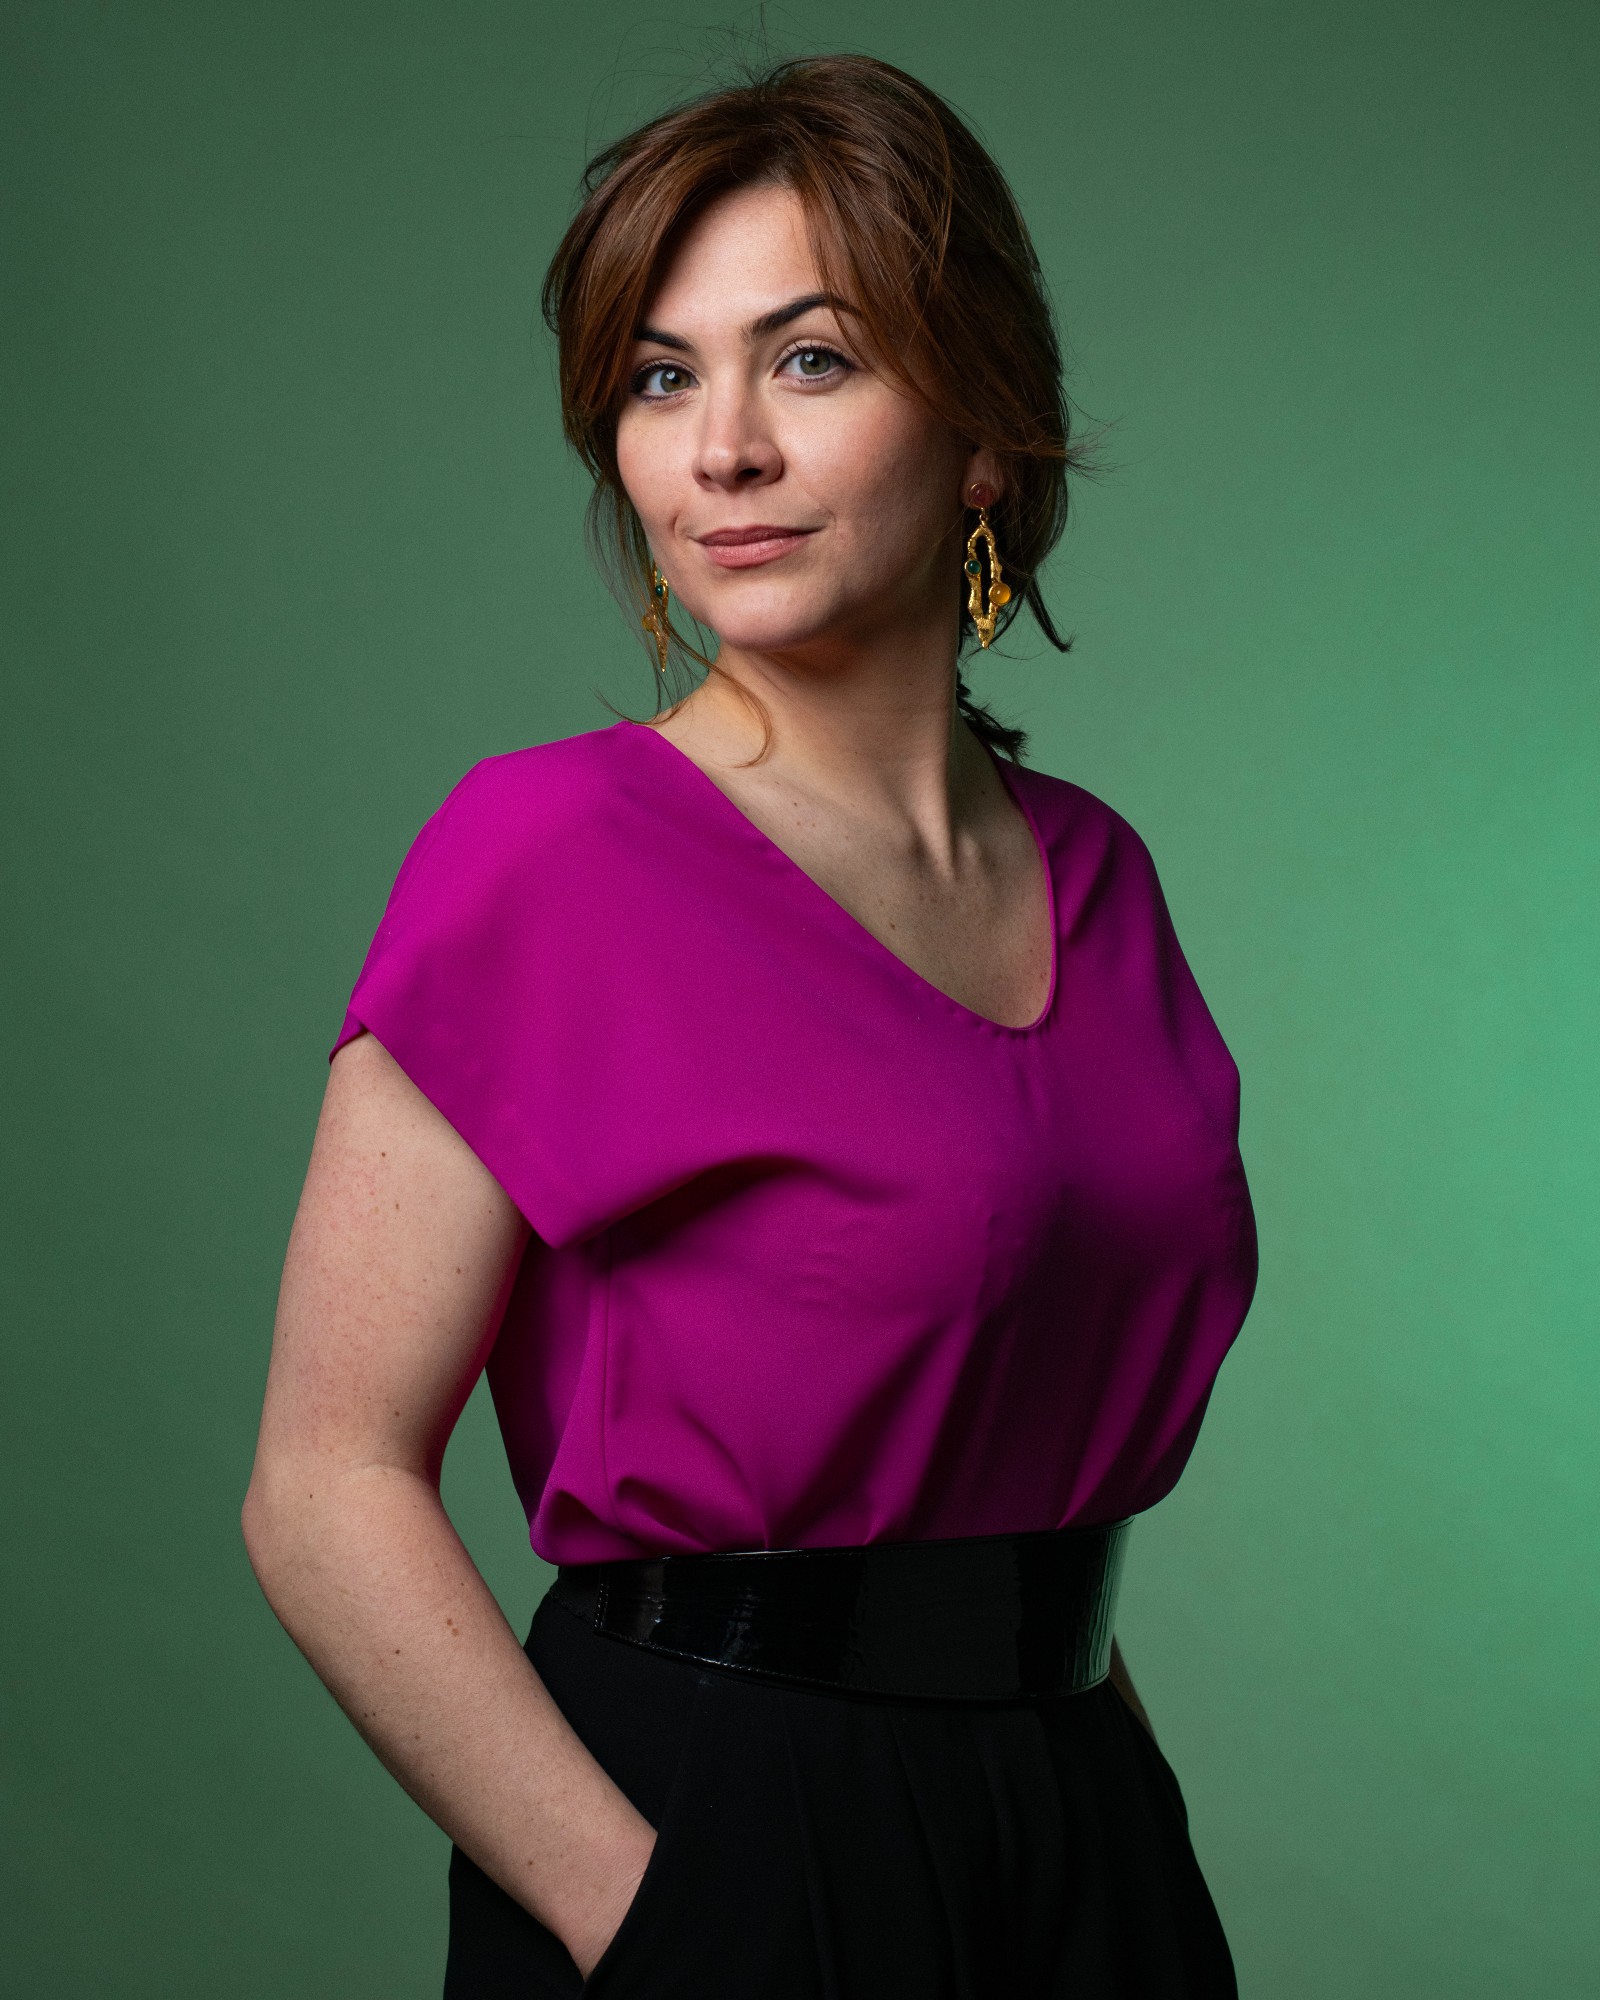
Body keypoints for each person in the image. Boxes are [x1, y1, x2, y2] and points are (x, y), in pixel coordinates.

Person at [243, 53, 1258, 2000]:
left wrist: (1121, 1848)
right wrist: (659, 1918)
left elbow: (1001, 1442)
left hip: (1077, 1813)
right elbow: (323, 1485)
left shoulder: (1100, 876)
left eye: (807, 360)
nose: (719, 449)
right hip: (718, 1820)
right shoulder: (550, 855)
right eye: (658, 377)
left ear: (982, 437)